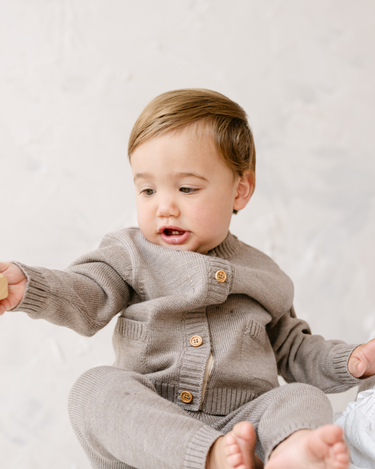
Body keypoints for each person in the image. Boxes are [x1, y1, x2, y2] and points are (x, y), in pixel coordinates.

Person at [1, 88, 375, 469]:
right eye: (147, 190)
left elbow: (294, 350)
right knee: (93, 388)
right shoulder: (129, 254)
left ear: (240, 190)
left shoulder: (265, 275)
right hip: (152, 437)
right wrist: (31, 286)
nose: (165, 206)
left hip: (244, 430)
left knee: (301, 398)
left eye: (186, 189)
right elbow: (87, 292)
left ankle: (291, 456)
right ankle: (212, 458)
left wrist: (353, 360)